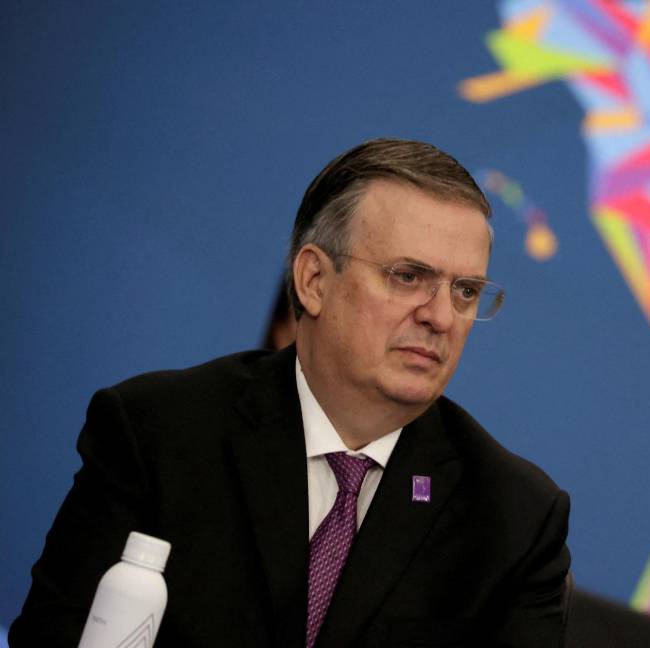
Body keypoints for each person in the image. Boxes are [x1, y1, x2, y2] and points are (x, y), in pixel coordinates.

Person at [11, 138, 571, 647]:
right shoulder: (159, 433)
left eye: (465, 291)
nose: (441, 317)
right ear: (314, 280)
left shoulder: (514, 519)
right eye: (408, 276)